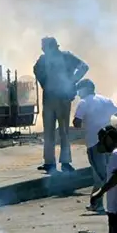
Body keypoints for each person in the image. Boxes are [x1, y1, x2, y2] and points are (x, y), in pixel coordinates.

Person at [33, 37, 89, 173]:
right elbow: (36, 70)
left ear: (52, 46)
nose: (43, 49)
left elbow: (84, 66)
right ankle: (50, 163)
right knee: (49, 132)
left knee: (63, 131)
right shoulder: (43, 59)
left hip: (62, 98)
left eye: (44, 46)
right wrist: (45, 82)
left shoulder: (66, 56)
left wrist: (71, 81)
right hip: (49, 98)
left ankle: (64, 162)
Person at [72, 79, 117, 213]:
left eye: (80, 90)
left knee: (101, 176)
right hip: (109, 144)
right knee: (102, 175)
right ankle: (95, 203)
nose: (78, 93)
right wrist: (115, 135)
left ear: (85, 90)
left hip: (94, 145)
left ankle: (108, 203)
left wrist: (79, 122)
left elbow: (76, 123)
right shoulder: (105, 100)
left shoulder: (83, 103)